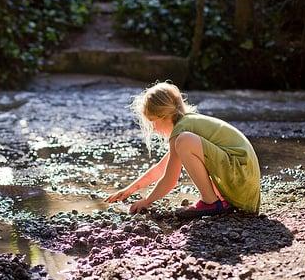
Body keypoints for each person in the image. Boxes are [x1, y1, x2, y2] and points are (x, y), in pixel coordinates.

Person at [104, 82, 260, 217]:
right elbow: (160, 169)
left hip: (241, 177)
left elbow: (170, 180)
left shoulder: (182, 133)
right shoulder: (188, 123)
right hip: (244, 184)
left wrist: (147, 201)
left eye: (152, 122)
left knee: (184, 140)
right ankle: (218, 200)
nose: (153, 128)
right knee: (183, 141)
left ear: (163, 116)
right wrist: (129, 189)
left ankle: (211, 202)